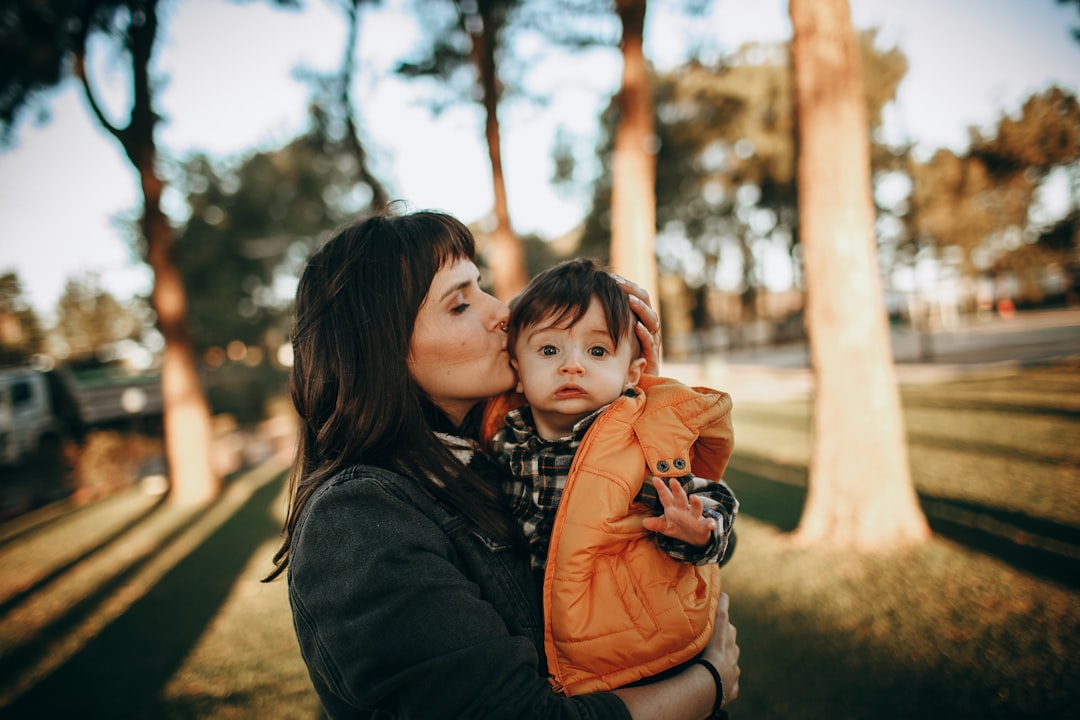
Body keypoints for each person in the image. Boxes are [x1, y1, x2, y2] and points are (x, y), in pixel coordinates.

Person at [264, 208, 740, 719]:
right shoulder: (357, 520)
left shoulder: (493, 453)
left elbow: (674, 544)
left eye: (483, 286)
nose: (503, 313)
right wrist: (706, 685)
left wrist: (627, 408)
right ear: (383, 350)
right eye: (460, 304)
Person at [489, 258, 738, 697]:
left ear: (632, 374)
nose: (573, 365)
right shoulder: (504, 439)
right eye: (549, 350)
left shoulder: (640, 438)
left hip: (638, 652)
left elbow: (709, 496)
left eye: (597, 351)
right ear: (518, 372)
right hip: (544, 648)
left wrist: (697, 531)